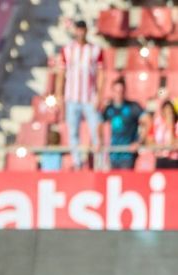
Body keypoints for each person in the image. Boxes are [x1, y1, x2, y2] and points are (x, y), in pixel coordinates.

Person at [55, 20, 103, 170]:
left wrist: (100, 95)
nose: (80, 33)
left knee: (96, 130)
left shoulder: (95, 50)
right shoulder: (67, 50)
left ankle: (100, 162)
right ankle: (76, 162)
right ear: (75, 31)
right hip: (72, 97)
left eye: (83, 30)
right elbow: (61, 73)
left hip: (89, 97)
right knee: (73, 131)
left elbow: (101, 73)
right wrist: (59, 94)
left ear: (86, 31)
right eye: (78, 30)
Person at [101, 78, 147, 170]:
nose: (119, 94)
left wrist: (139, 142)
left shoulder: (133, 107)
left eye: (121, 91)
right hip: (113, 154)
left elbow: (148, 122)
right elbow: (99, 124)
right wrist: (99, 141)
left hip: (128, 155)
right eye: (116, 91)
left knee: (127, 182)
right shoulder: (109, 109)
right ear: (112, 91)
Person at [150, 100, 178, 169]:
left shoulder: (176, 125)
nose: (168, 114)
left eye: (170, 112)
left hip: (173, 159)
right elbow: (151, 140)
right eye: (166, 112)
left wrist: (171, 127)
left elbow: (174, 144)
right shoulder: (158, 123)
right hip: (160, 158)